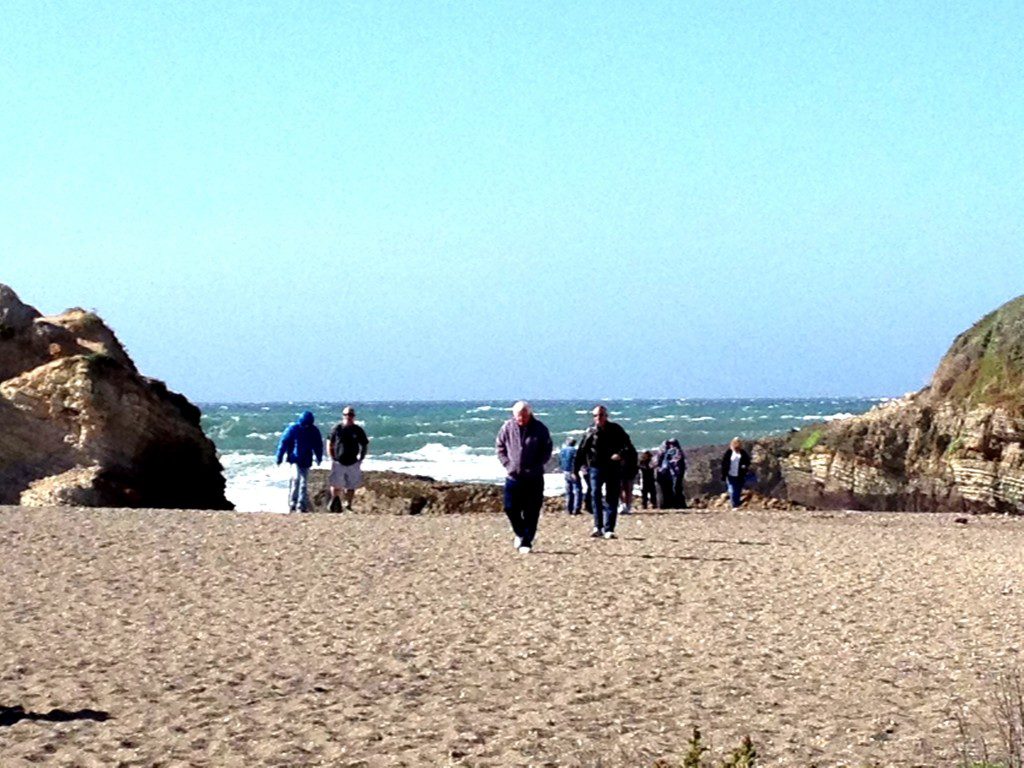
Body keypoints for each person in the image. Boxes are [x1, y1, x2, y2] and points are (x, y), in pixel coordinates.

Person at [495, 401, 553, 554]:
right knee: (510, 508)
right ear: (514, 415)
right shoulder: (507, 427)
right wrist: (508, 465)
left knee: (531, 511)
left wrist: (537, 465)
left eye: (524, 416)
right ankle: (520, 533)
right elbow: (500, 447)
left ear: (529, 414)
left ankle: (527, 542)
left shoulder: (540, 428)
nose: (521, 419)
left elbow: (547, 450)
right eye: (519, 417)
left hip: (534, 477)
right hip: (513, 476)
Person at [575, 404, 635, 539]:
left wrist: (620, 454)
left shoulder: (616, 429)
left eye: (601, 415)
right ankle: (598, 526)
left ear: (606, 416)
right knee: (595, 494)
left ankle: (609, 529)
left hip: (613, 467)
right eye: (595, 415)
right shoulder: (590, 431)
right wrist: (576, 469)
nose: (598, 418)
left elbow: (628, 446)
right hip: (595, 468)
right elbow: (582, 450)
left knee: (612, 497)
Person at [275, 410, 323, 513]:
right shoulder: (293, 429)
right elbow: (283, 443)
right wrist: (279, 457)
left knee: (304, 483)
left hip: (306, 460)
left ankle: (301, 505)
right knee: (296, 479)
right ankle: (293, 503)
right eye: (304, 424)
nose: (306, 426)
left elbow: (318, 445)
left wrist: (319, 457)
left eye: (308, 425)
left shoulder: (314, 431)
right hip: (295, 459)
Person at [327, 406, 369, 512]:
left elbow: (364, 444)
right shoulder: (337, 428)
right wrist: (332, 457)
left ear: (353, 416)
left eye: (350, 415)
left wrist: (361, 458)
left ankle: (348, 505)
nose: (348, 417)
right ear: (343, 416)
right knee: (335, 484)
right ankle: (335, 502)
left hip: (352, 462)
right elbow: (329, 442)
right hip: (338, 461)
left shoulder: (358, 430)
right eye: (346, 415)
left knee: (351, 486)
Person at [655, 438, 687, 509]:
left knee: (675, 488)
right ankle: (670, 504)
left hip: (672, 473)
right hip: (668, 474)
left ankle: (676, 504)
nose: (671, 445)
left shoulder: (675, 452)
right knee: (669, 489)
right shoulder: (666, 452)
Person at [721, 437, 752, 509]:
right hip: (730, 474)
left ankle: (737, 504)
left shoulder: (742, 453)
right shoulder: (729, 453)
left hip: (740, 475)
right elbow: (724, 463)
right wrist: (724, 474)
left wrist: (744, 466)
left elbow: (747, 461)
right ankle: (734, 505)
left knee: (738, 490)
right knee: (732, 490)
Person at [559, 437, 583, 515]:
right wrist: (574, 471)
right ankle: (576, 509)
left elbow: (560, 461)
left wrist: (562, 469)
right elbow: (574, 461)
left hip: (565, 471)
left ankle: (568, 508)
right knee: (577, 490)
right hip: (572, 472)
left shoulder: (562, 450)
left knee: (568, 490)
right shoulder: (574, 451)